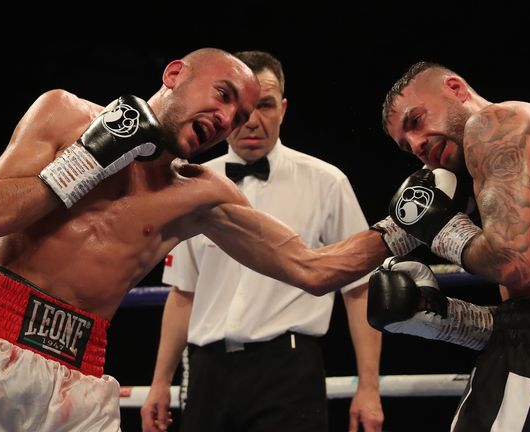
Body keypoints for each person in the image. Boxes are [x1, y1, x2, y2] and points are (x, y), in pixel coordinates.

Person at [0, 48, 392, 432]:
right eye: (222, 95)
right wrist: (92, 159)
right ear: (175, 73)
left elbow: (312, 269)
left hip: (78, 366)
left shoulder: (200, 194)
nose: (228, 118)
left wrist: (407, 230)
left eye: (240, 114)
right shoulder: (63, 113)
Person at [371, 61, 530, 431]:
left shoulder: (493, 123)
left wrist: (442, 228)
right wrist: (444, 317)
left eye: (415, 121)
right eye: (405, 146)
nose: (417, 146)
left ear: (455, 88)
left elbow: (513, 264)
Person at [139, 51, 384, 432]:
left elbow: (359, 288)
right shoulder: (190, 182)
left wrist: (369, 387)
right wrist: (159, 382)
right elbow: (183, 293)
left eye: (264, 106)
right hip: (205, 371)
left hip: (286, 369)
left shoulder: (326, 182)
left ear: (282, 109)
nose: (252, 121)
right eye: (239, 110)